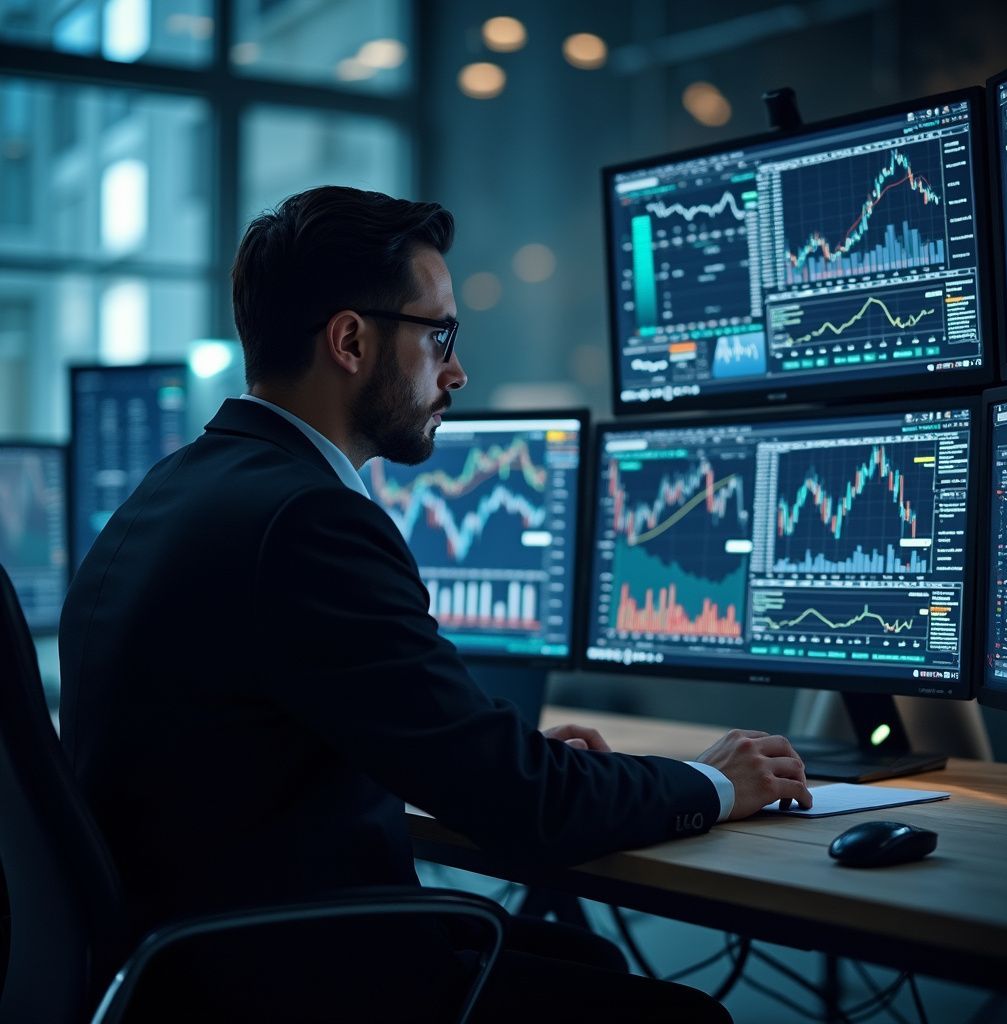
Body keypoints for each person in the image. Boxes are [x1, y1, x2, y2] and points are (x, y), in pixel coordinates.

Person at [59, 185, 812, 1022]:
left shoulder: (180, 486)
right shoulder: (311, 521)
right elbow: (522, 808)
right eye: (439, 334)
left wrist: (493, 757)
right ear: (349, 340)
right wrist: (710, 782)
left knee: (584, 957)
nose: (456, 371)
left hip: (180, 968)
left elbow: (253, 749)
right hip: (283, 983)